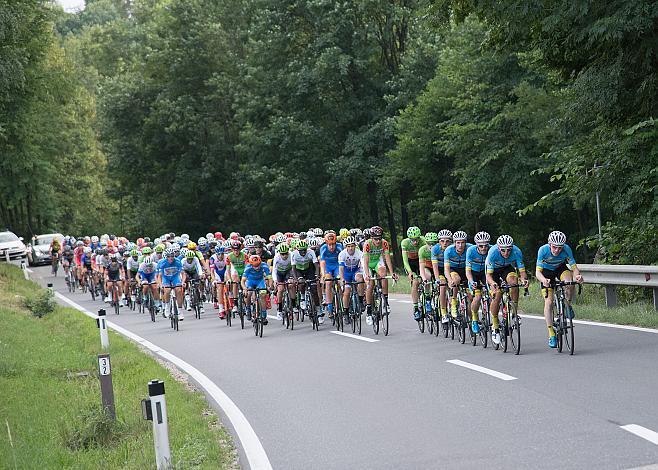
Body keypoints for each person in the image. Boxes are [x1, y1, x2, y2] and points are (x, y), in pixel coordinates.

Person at [535, 231, 584, 348]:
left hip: (560, 268)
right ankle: (551, 333)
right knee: (549, 302)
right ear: (549, 243)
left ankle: (567, 304)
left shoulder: (566, 249)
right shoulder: (543, 250)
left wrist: (577, 276)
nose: (557, 250)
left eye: (559, 248)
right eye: (554, 247)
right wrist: (543, 280)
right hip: (546, 272)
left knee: (569, 282)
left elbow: (574, 268)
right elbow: (537, 272)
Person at [485, 235, 528, 345]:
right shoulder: (492, 252)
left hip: (507, 268)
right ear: (498, 248)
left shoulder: (517, 251)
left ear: (512, 248)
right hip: (493, 271)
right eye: (503, 250)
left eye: (509, 250)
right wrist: (493, 283)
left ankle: (513, 310)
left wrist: (524, 280)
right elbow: (488, 275)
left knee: (514, 283)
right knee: (497, 294)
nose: (506, 253)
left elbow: (522, 271)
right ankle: (495, 326)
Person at [362, 226, 398, 326]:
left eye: (379, 238)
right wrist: (367, 274)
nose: (378, 241)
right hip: (368, 263)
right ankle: (369, 311)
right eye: (376, 239)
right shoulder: (367, 244)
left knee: (383, 274)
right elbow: (365, 261)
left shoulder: (384, 243)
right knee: (370, 285)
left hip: (377, 261)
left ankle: (385, 302)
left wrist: (392, 273)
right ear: (371, 238)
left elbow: (387, 259)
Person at [444, 231, 473, 321]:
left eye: (463, 242)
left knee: (471, 297)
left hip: (466, 270)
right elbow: (446, 269)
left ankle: (472, 319)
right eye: (458, 243)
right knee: (456, 280)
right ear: (454, 243)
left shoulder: (470, 248)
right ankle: (454, 302)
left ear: (466, 242)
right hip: (453, 269)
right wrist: (449, 280)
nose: (460, 245)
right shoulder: (448, 250)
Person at [465, 231, 490, 333]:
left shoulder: (491, 249)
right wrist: (471, 282)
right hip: (473, 274)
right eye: (481, 246)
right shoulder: (471, 251)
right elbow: (468, 271)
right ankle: (474, 319)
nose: (484, 248)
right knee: (477, 296)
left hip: (485, 273)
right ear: (476, 244)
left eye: (486, 245)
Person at [400, 226, 427, 320]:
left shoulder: (423, 241)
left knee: (426, 278)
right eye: (413, 240)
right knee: (415, 282)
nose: (415, 242)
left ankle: (427, 298)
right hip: (410, 263)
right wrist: (410, 272)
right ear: (409, 239)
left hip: (421, 261)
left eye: (417, 239)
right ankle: (416, 308)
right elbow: (405, 261)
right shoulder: (405, 243)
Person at [338, 236, 365, 320]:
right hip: (346, 273)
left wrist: (365, 275)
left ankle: (360, 301)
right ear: (346, 247)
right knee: (347, 292)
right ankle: (345, 312)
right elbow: (341, 268)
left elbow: (363, 265)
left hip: (356, 271)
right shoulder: (342, 254)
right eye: (348, 246)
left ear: (355, 246)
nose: (350, 248)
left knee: (360, 280)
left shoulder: (359, 253)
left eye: (352, 246)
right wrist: (342, 279)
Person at [241, 255, 273, 324]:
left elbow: (270, 277)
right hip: (250, 281)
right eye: (255, 266)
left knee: (263, 295)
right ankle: (248, 308)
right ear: (251, 264)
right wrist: (244, 288)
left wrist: (269, 286)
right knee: (249, 293)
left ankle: (263, 315)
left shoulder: (264, 265)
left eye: (258, 265)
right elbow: (243, 281)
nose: (257, 267)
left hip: (260, 281)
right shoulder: (248, 267)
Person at [319, 230, 344, 321]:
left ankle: (343, 302)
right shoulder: (323, 248)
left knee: (339, 281)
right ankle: (329, 307)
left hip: (337, 266)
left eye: (333, 244)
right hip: (328, 267)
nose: (332, 247)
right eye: (330, 245)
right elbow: (322, 262)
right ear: (326, 243)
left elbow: (342, 260)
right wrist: (323, 274)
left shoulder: (339, 247)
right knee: (328, 282)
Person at [157, 247, 185, 320]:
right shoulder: (162, 263)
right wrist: (160, 285)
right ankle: (167, 306)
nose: (171, 258)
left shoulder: (178, 261)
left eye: (172, 256)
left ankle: (180, 311)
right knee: (167, 290)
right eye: (169, 256)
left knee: (178, 290)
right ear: (166, 257)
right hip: (166, 278)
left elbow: (183, 273)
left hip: (175, 278)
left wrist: (183, 282)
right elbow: (159, 276)